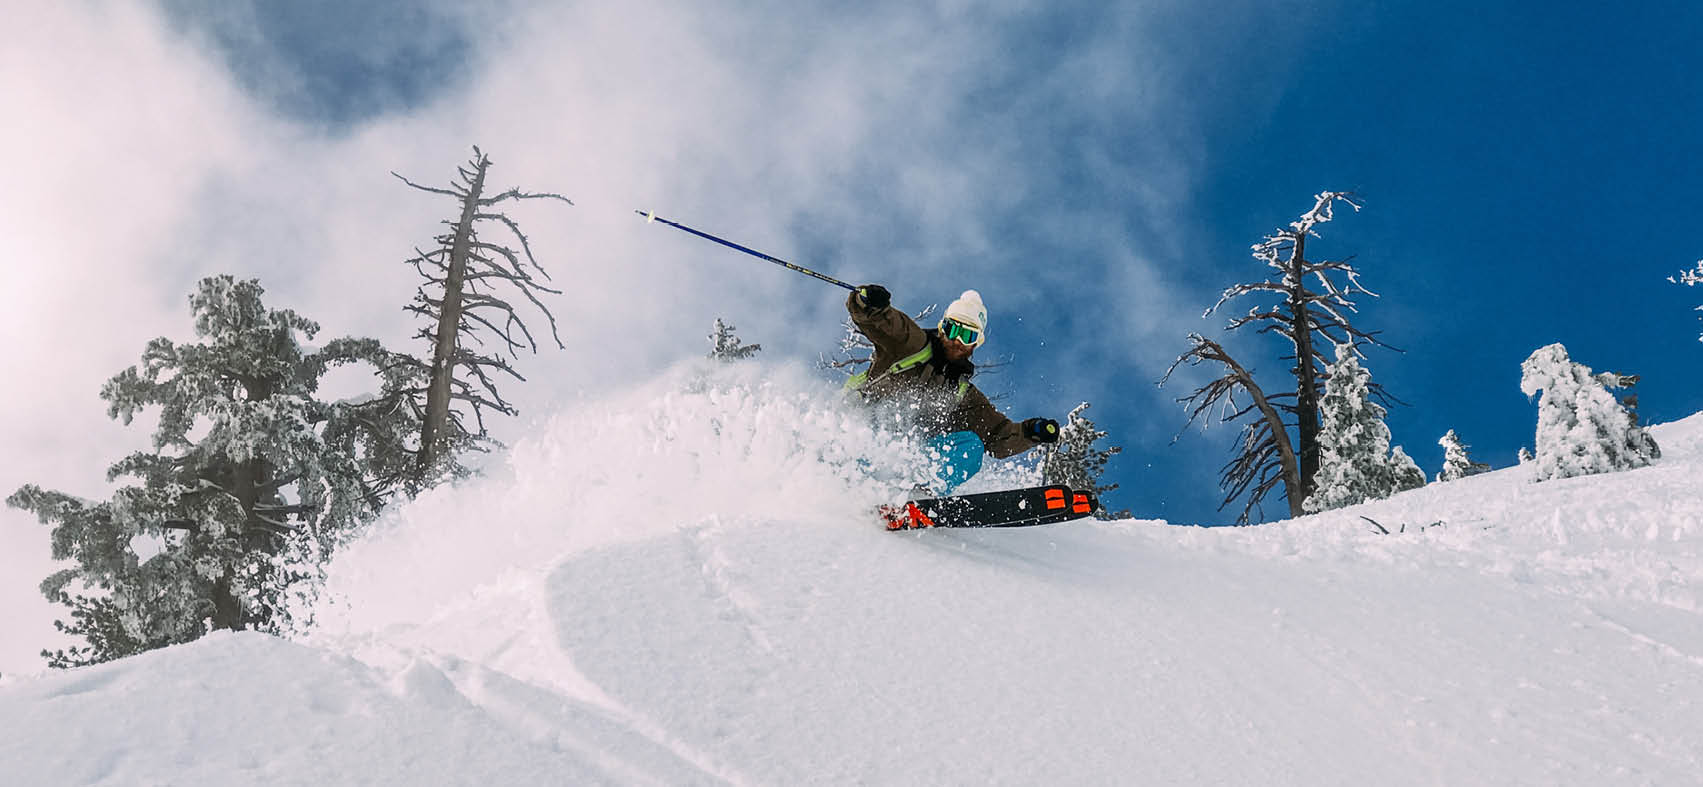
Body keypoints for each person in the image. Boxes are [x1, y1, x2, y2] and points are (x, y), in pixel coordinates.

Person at [844, 283, 1059, 493]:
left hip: (904, 461)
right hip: (863, 436)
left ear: (976, 343)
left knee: (971, 446)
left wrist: (1030, 432)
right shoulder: (911, 346)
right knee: (879, 424)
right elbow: (887, 324)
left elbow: (996, 436)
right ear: (941, 328)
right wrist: (869, 303)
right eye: (952, 329)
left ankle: (920, 494)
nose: (956, 340)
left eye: (967, 336)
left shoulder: (962, 394)